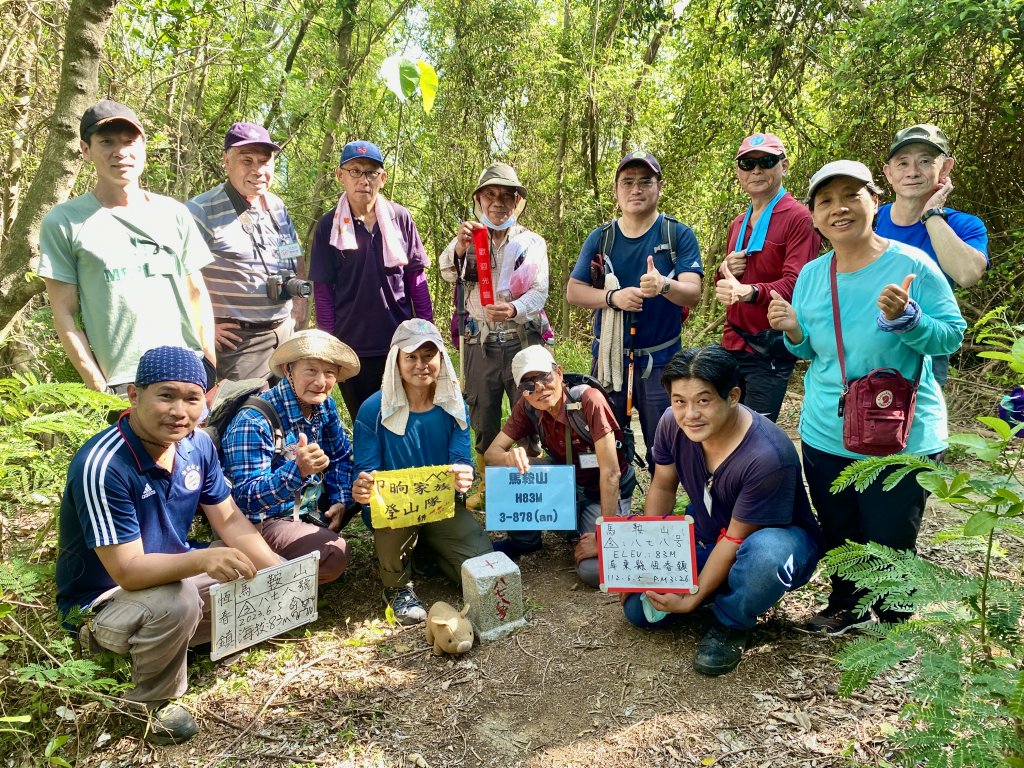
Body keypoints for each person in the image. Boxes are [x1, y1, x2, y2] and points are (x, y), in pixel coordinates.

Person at [768, 160, 966, 632]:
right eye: (825, 201)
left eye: (851, 196)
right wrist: (793, 329)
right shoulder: (814, 275)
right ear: (814, 217)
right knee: (840, 529)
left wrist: (910, 318)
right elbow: (809, 350)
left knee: (891, 534)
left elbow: (950, 336)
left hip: (900, 432)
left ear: (874, 202)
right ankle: (846, 605)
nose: (839, 209)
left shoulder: (912, 264)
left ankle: (894, 623)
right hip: (826, 428)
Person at [55, 347, 279, 745]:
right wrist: (204, 559)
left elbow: (227, 518)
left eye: (192, 398)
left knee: (246, 573)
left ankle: (170, 641)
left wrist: (279, 572)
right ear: (133, 395)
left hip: (173, 574)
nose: (180, 411)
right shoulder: (105, 464)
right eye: (166, 395)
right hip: (104, 598)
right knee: (179, 601)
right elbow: (127, 570)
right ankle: (150, 704)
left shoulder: (197, 446)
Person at [620, 346, 822, 675]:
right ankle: (724, 586)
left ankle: (731, 621)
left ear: (733, 396)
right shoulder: (673, 424)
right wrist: (646, 563)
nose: (690, 414)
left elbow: (736, 539)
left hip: (768, 542)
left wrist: (691, 598)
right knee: (638, 612)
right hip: (711, 536)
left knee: (765, 556)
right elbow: (662, 486)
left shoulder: (766, 456)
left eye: (704, 400)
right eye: (679, 400)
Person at [38, 100, 216, 394]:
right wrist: (97, 384)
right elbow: (64, 312)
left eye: (129, 141)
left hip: (188, 369)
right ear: (86, 150)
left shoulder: (173, 213)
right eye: (106, 142)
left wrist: (209, 362)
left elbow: (196, 292)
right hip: (123, 381)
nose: (120, 152)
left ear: (143, 146)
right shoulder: (65, 222)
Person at [566, 150, 703, 468]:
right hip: (609, 362)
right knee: (607, 448)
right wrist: (612, 298)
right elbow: (574, 291)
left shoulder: (676, 234)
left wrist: (664, 286)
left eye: (645, 181)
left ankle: (662, 515)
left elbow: (693, 294)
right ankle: (615, 512)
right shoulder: (601, 238)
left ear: (659, 187)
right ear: (616, 190)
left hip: (662, 363)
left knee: (665, 448)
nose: (636, 189)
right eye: (627, 182)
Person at [352, 319, 492, 625]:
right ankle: (398, 586)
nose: (421, 365)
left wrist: (464, 474)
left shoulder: (453, 406)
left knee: (481, 563)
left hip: (440, 506)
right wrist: (362, 487)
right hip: (394, 511)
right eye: (411, 357)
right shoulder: (373, 410)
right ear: (396, 362)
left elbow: (460, 457)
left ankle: (427, 551)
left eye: (428, 356)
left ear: (441, 359)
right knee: (395, 521)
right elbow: (365, 469)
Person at [439, 162, 549, 510]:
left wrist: (514, 309)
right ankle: (489, 486)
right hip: (479, 343)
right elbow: (445, 272)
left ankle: (529, 487)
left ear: (518, 202)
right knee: (482, 414)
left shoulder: (532, 242)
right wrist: (459, 247)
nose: (498, 203)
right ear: (479, 200)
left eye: (507, 195)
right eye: (490, 195)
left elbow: (540, 291)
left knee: (530, 412)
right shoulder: (469, 238)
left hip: (522, 342)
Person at [483, 345, 634, 580]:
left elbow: (611, 473)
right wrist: (509, 457)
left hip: (600, 491)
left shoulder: (588, 401)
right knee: (516, 469)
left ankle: (599, 526)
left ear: (559, 373)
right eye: (528, 385)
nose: (539, 388)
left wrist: (605, 535)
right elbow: (492, 454)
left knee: (594, 572)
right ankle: (525, 541)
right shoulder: (527, 407)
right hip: (566, 484)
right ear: (521, 391)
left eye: (544, 376)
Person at [220, 330, 359, 584]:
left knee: (364, 489)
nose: (320, 382)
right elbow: (245, 499)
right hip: (263, 521)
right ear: (288, 370)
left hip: (307, 507)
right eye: (311, 371)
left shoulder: (324, 405)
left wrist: (340, 501)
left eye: (330, 373)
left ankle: (295, 558)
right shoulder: (253, 421)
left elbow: (340, 456)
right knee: (334, 554)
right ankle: (269, 567)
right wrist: (297, 471)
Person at [309, 140, 433, 420]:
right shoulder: (329, 226)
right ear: (340, 175)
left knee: (405, 418)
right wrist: (328, 344)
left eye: (371, 173)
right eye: (354, 171)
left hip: (400, 342)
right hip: (352, 345)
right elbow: (324, 288)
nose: (363, 180)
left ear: (383, 179)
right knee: (365, 420)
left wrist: (427, 332)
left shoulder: (400, 218)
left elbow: (416, 277)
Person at [187, 122, 307, 382]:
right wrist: (203, 329)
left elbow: (294, 253)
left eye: (265, 161)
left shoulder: (276, 206)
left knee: (287, 413)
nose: (258, 170)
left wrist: (299, 306)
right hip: (240, 344)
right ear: (226, 161)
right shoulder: (201, 210)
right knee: (244, 415)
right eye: (247, 161)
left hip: (284, 332)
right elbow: (176, 279)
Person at [714, 133, 820, 422]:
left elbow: (797, 283)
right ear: (738, 171)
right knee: (723, 427)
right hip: (732, 342)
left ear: (784, 166)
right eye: (748, 163)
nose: (756, 170)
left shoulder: (799, 218)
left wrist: (749, 292)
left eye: (766, 161)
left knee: (754, 433)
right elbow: (724, 283)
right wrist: (724, 271)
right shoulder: (738, 222)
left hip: (769, 348)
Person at [876, 124, 989, 385]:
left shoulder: (964, 225)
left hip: (927, 344)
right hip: (866, 337)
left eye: (925, 161)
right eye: (902, 163)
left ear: (946, 168)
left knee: (917, 424)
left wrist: (932, 215)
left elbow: (968, 274)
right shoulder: (869, 221)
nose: (913, 172)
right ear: (888, 173)